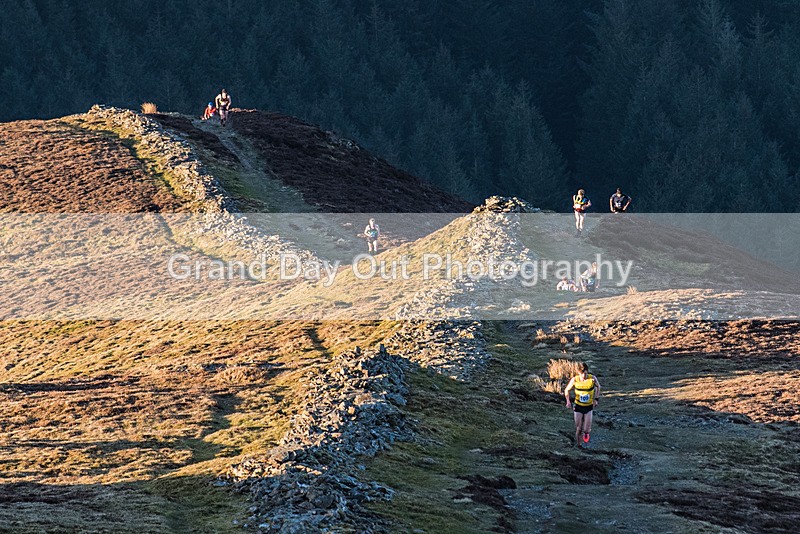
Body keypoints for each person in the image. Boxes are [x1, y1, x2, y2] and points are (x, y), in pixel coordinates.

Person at [564, 362, 601, 448]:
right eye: (582, 374)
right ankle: (579, 445)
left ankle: (586, 434)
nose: (584, 376)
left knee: (586, 429)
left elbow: (599, 387)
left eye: (585, 374)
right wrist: (568, 401)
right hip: (578, 406)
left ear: (587, 372)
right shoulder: (575, 380)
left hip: (588, 407)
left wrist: (596, 399)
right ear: (578, 373)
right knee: (579, 428)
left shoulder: (592, 378)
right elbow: (566, 390)